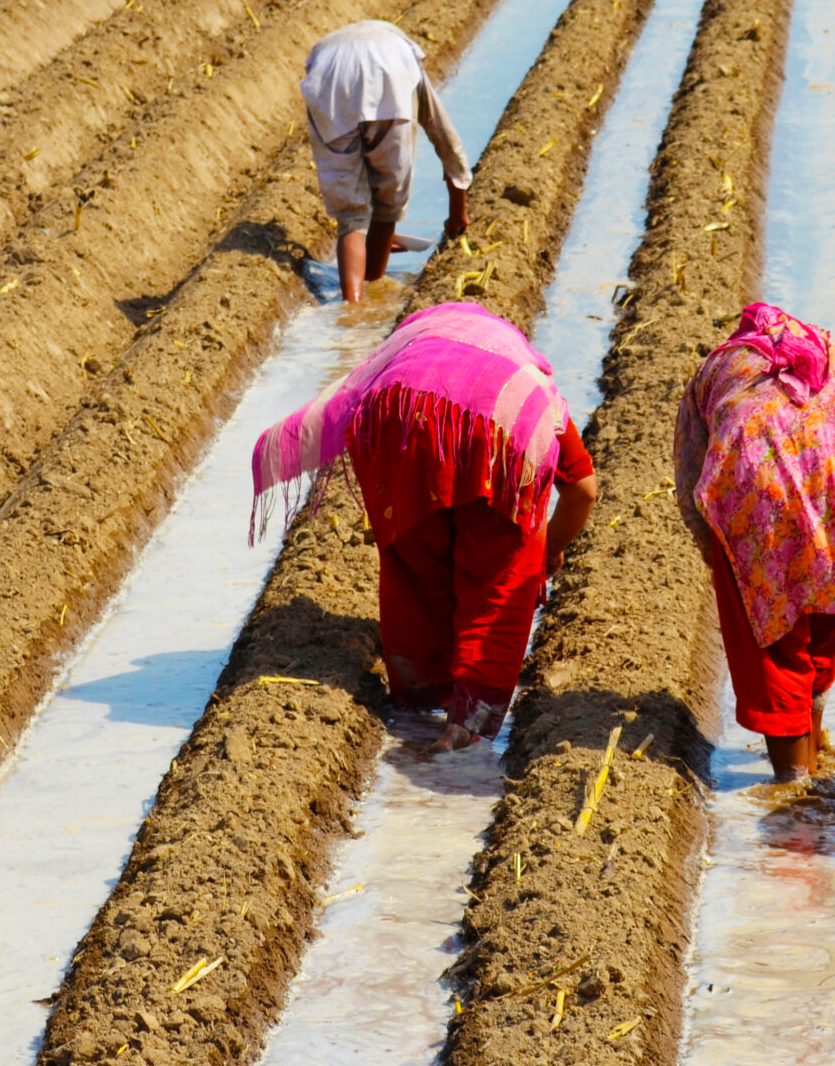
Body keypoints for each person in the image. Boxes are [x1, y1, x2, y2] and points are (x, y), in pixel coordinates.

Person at [250, 301, 598, 750]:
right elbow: (583, 489)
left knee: (417, 571)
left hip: (399, 421)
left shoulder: (401, 353)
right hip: (502, 442)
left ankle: (417, 711)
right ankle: (464, 727)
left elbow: (343, 405)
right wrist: (549, 549)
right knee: (496, 582)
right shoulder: (529, 382)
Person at [675, 303, 835, 783]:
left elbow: (693, 480)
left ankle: (792, 792)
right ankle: (813, 761)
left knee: (772, 641)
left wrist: (721, 553)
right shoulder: (832, 363)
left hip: (756, 485)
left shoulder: (717, 367)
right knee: (825, 614)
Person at [299, 20, 471, 305]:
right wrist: (458, 212)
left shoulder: (333, 46)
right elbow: (442, 133)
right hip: (390, 76)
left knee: (351, 217)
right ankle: (373, 288)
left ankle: (352, 308)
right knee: (386, 206)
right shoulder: (404, 54)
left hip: (328, 79)